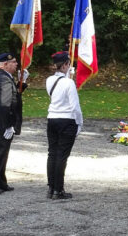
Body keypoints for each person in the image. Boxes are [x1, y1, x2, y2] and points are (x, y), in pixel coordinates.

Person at [0, 53, 25, 195]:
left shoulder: (3, 77)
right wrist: (8, 125)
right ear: (5, 64)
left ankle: (0, 181)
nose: (16, 64)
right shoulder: (4, 79)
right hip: (2, 123)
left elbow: (13, 96)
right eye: (13, 62)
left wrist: (22, 83)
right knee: (0, 154)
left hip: (0, 122)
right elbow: (4, 104)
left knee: (2, 153)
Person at [45, 51, 81, 200]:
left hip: (52, 118)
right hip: (67, 120)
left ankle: (51, 187)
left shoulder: (49, 80)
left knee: (52, 153)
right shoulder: (69, 83)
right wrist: (79, 122)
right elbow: (75, 106)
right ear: (66, 65)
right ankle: (58, 189)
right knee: (61, 155)